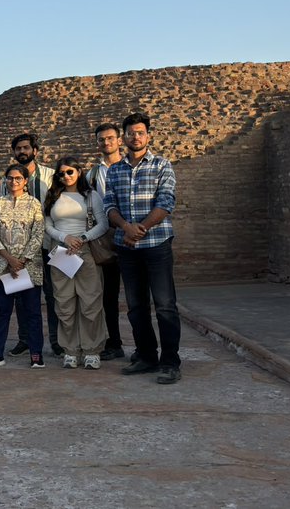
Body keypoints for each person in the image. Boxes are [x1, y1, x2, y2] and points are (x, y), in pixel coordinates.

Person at [105, 112, 182, 385]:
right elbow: (109, 206)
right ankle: (147, 356)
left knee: (164, 305)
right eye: (130, 133)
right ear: (123, 137)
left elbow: (166, 202)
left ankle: (170, 362)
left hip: (156, 244)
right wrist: (126, 228)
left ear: (148, 135)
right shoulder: (114, 170)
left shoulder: (162, 166)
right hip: (126, 246)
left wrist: (140, 229)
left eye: (140, 132)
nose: (135, 137)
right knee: (136, 306)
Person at [45, 157, 110, 370]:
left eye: (70, 172)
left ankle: (92, 350)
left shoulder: (91, 196)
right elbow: (47, 225)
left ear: (79, 172)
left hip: (85, 250)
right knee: (64, 304)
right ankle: (70, 350)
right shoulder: (53, 196)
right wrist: (65, 238)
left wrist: (81, 238)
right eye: (61, 173)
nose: (66, 176)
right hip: (61, 251)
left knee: (90, 302)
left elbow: (103, 224)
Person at [3, 133, 62, 358]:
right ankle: (24, 339)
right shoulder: (6, 180)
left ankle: (57, 341)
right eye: (18, 148)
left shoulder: (50, 176)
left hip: (49, 244)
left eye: (26, 147)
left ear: (35, 151)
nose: (22, 152)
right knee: (21, 295)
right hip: (17, 250)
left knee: (53, 293)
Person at [0, 164, 47, 368]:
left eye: (18, 178)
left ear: (26, 181)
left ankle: (36, 353)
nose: (14, 182)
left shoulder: (34, 204)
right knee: (2, 312)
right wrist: (9, 259)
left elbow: (38, 233)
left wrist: (22, 261)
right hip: (3, 266)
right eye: (10, 178)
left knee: (33, 312)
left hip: (29, 267)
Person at [88, 123, 127, 361]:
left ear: (119, 141)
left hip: (134, 237)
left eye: (110, 138)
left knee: (137, 296)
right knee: (108, 296)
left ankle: (147, 348)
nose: (106, 143)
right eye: (102, 140)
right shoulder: (93, 174)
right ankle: (114, 342)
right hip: (106, 239)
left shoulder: (130, 168)